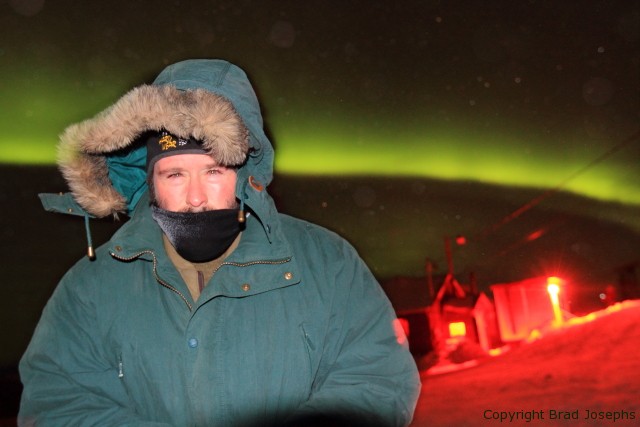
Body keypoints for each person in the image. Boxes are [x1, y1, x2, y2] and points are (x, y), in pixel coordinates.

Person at [19, 59, 421, 427]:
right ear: (151, 182)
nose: (195, 196)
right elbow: (58, 402)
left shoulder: (327, 262)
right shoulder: (92, 285)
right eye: (174, 174)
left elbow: (376, 378)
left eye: (213, 171)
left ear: (243, 173)